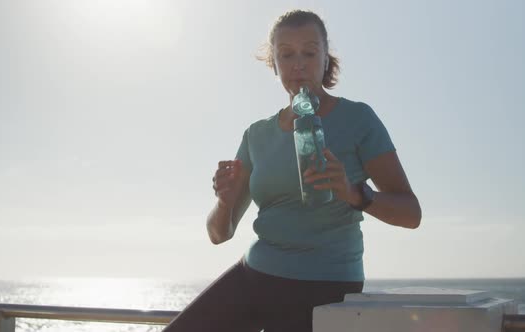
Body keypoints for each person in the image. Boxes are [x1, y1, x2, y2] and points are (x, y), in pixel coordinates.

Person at [163, 9, 422, 332]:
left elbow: (411, 214)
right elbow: (219, 233)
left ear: (326, 59)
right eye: (286, 55)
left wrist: (354, 192)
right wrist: (225, 202)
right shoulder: (257, 135)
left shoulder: (358, 119)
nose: (298, 64)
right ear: (274, 63)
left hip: (325, 286)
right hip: (254, 276)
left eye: (310, 53)